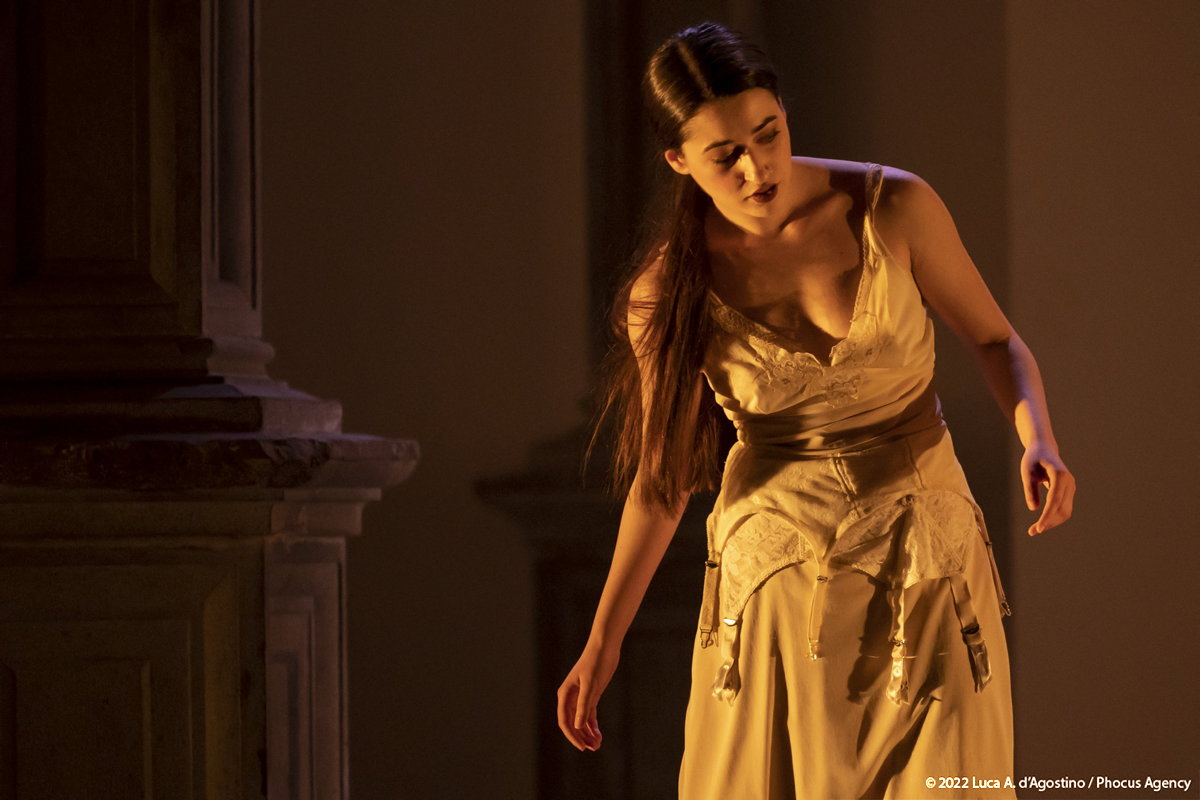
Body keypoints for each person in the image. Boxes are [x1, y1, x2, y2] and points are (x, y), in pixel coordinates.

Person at [556, 21, 1075, 799]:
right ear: (679, 162)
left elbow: (997, 340)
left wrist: (1039, 438)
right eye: (724, 155)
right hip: (779, 586)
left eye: (768, 133)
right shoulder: (666, 291)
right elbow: (662, 480)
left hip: (925, 563)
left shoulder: (892, 207)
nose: (756, 167)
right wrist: (602, 643)